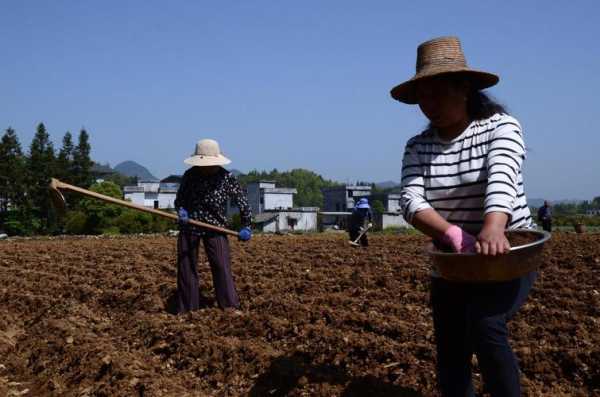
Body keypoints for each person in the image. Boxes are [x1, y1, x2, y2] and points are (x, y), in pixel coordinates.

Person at [393, 36, 536, 396]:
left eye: (438, 93)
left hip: (507, 254)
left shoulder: (501, 128)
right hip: (453, 260)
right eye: (422, 97)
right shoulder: (418, 147)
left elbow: (502, 176)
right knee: (451, 348)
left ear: (466, 88)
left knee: (486, 324)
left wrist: (493, 228)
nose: (429, 105)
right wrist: (452, 233)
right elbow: (410, 199)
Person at [174, 139, 252, 314]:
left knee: (221, 265)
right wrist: (182, 211)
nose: (208, 168)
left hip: (216, 227)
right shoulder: (190, 176)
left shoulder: (227, 178)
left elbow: (243, 202)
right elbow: (179, 200)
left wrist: (246, 225)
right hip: (190, 226)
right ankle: (187, 309)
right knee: (187, 266)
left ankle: (229, 306)